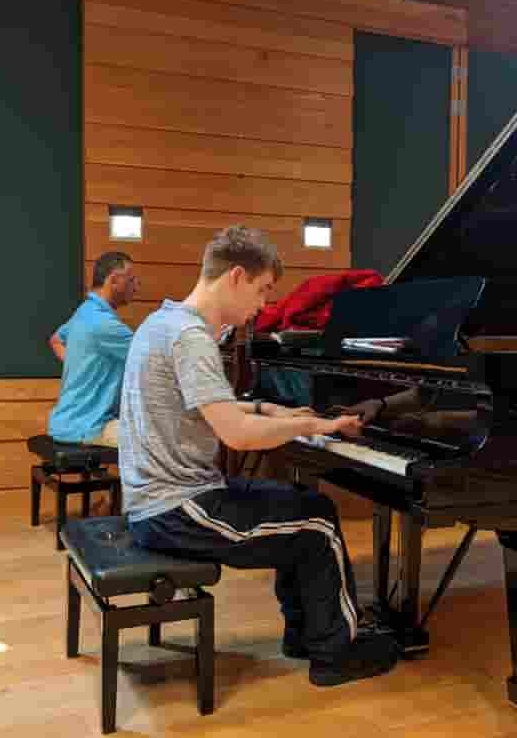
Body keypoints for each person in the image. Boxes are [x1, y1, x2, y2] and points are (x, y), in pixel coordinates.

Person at [118, 225, 399, 687]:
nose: (265, 306)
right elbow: (238, 435)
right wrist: (314, 425)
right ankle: (335, 656)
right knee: (319, 527)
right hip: (176, 508)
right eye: (263, 290)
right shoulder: (190, 337)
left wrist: (268, 406)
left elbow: (208, 406)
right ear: (235, 277)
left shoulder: (163, 321)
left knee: (306, 505)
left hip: (161, 499)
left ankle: (306, 635)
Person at [47, 251, 139, 447]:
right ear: (114, 280)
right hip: (89, 426)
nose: (136, 287)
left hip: (64, 423)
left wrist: (80, 363)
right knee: (158, 438)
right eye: (131, 281)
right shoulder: (104, 324)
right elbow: (151, 360)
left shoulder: (84, 312)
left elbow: (56, 340)